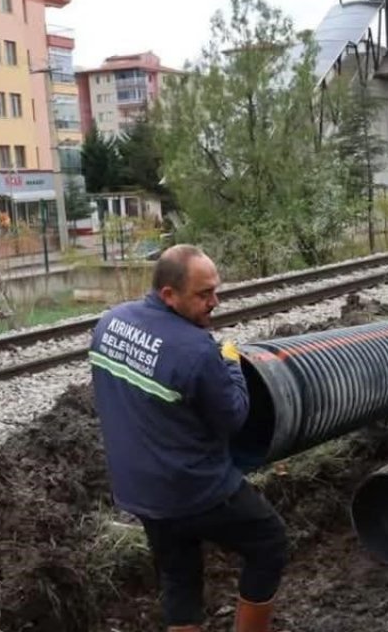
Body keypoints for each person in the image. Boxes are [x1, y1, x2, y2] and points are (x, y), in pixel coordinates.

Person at [90, 245, 288, 632]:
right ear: (169, 294)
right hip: (195, 489)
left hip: (140, 490)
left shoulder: (109, 323)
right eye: (203, 295)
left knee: (180, 577)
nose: (214, 302)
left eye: (216, 290)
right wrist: (230, 364)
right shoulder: (195, 350)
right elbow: (233, 416)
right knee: (269, 543)